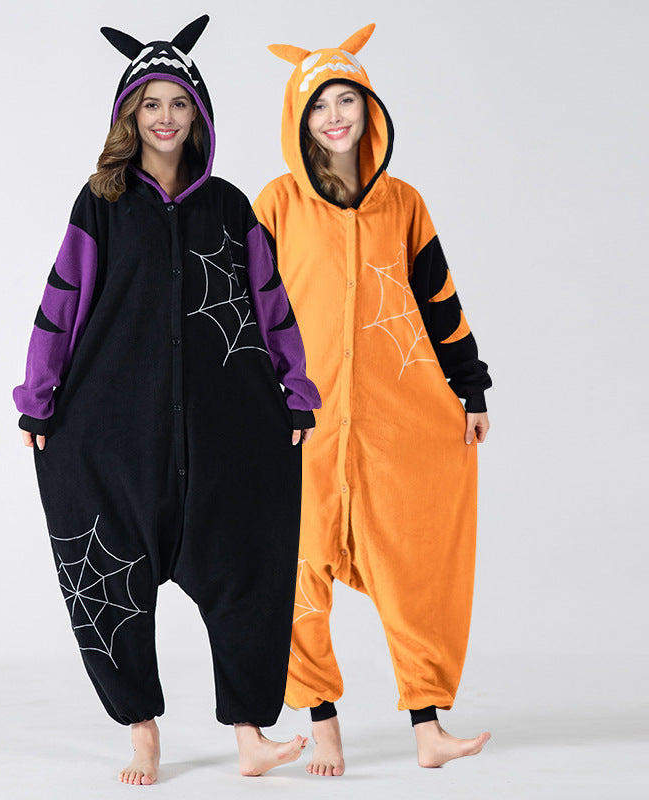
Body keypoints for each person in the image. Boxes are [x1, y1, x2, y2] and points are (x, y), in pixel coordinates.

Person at [13, 15, 321, 785]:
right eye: (150, 104)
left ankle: (250, 734)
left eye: (178, 103)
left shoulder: (232, 207)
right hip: (115, 428)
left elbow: (271, 303)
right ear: (129, 114)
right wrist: (39, 398)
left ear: (199, 113)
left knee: (247, 564)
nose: (164, 117)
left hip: (228, 426)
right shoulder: (102, 202)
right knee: (110, 576)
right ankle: (142, 732)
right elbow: (61, 300)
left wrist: (295, 390)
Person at [253, 23, 493, 775]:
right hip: (301, 425)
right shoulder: (277, 205)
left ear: (370, 110)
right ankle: (321, 723)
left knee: (414, 562)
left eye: (347, 100)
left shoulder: (403, 204)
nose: (335, 116)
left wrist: (470, 385)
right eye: (320, 104)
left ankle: (428, 725)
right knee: (296, 569)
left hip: (397, 417)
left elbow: (439, 299)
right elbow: (244, 311)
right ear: (300, 118)